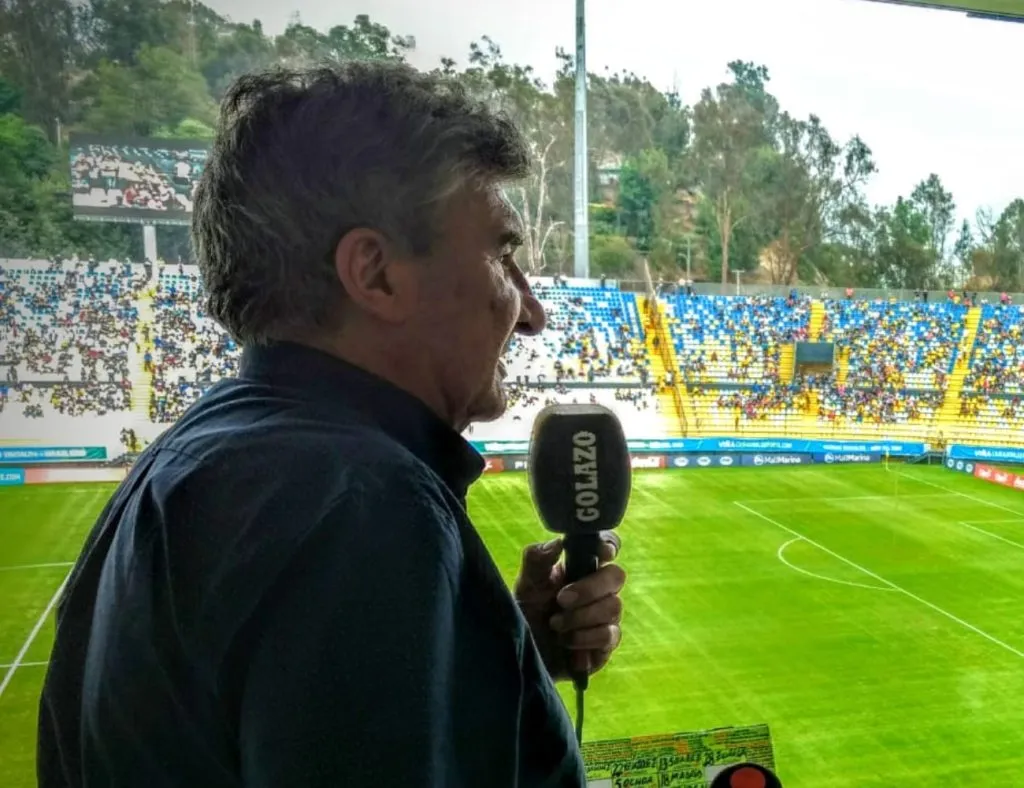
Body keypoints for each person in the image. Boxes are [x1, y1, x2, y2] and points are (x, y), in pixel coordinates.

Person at [38, 61, 627, 786]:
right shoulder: (361, 506)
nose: (532, 313)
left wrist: (498, 653)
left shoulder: (185, 464)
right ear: (375, 273)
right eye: (503, 254)